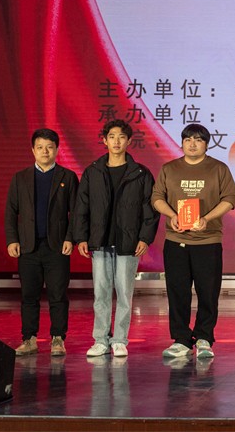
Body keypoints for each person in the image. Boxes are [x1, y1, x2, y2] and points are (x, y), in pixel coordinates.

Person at [74, 119, 159, 358]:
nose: (116, 141)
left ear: (129, 141)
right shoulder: (93, 171)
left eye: (121, 137)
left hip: (128, 242)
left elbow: (150, 210)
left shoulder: (140, 173)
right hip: (99, 241)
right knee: (100, 293)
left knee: (124, 293)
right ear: (104, 140)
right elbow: (81, 207)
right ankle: (100, 340)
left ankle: (120, 339)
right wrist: (81, 237)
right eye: (111, 137)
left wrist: (145, 238)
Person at [151, 123, 235, 359]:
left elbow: (230, 198)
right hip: (176, 240)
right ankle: (181, 339)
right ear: (182, 143)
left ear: (206, 144)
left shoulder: (218, 168)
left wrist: (207, 218)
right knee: (177, 292)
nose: (192, 144)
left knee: (208, 293)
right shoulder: (170, 168)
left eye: (198, 140)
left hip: (208, 240)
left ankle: (204, 338)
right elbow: (157, 197)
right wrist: (172, 215)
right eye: (188, 139)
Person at [5, 128, 79, 356]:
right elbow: (11, 212)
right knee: (29, 296)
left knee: (58, 295)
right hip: (28, 247)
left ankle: (58, 339)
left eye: (49, 147)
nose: (45, 151)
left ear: (57, 150)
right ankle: (29, 339)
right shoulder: (20, 178)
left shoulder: (67, 177)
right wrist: (12, 240)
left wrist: (70, 238)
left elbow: (76, 213)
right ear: (33, 150)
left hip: (57, 247)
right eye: (40, 147)